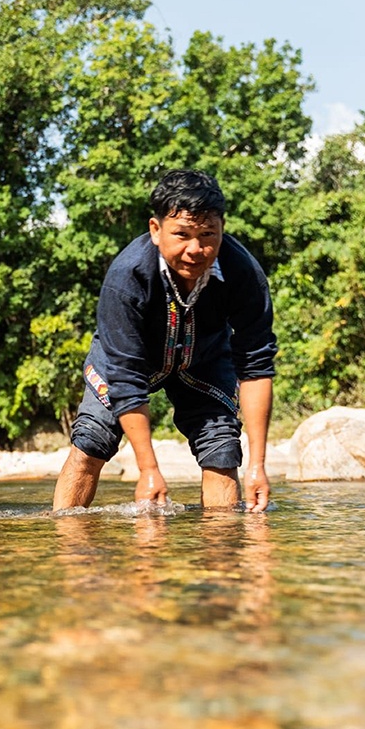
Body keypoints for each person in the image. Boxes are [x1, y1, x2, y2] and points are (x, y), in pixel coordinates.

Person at [52, 169, 276, 513]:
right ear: (156, 230)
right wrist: (148, 469)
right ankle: (68, 547)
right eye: (182, 235)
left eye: (207, 235)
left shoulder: (243, 272)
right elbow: (125, 378)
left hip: (206, 359)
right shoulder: (127, 277)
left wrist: (258, 466)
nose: (196, 249)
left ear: (222, 229)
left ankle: (222, 561)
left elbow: (256, 366)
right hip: (130, 358)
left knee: (222, 450)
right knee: (91, 443)